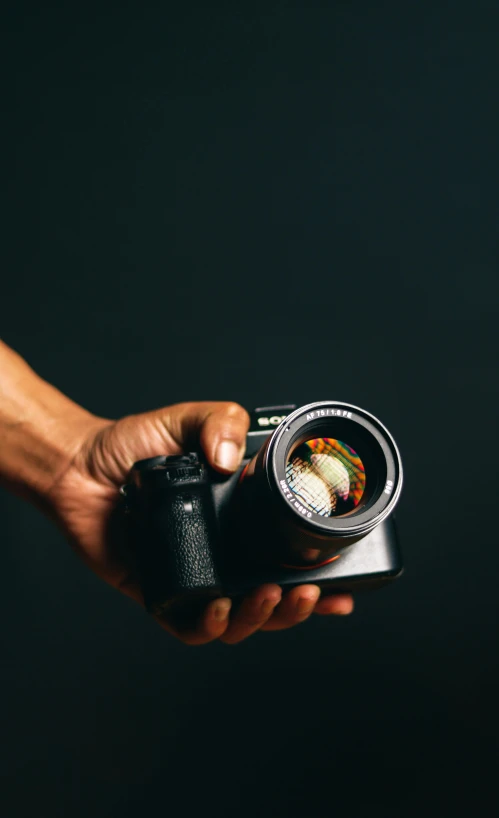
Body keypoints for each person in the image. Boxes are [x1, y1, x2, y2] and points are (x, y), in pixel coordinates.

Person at [0, 339, 353, 645]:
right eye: (303, 469)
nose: (316, 484)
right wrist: (77, 461)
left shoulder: (346, 521)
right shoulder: (214, 472)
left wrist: (76, 458)